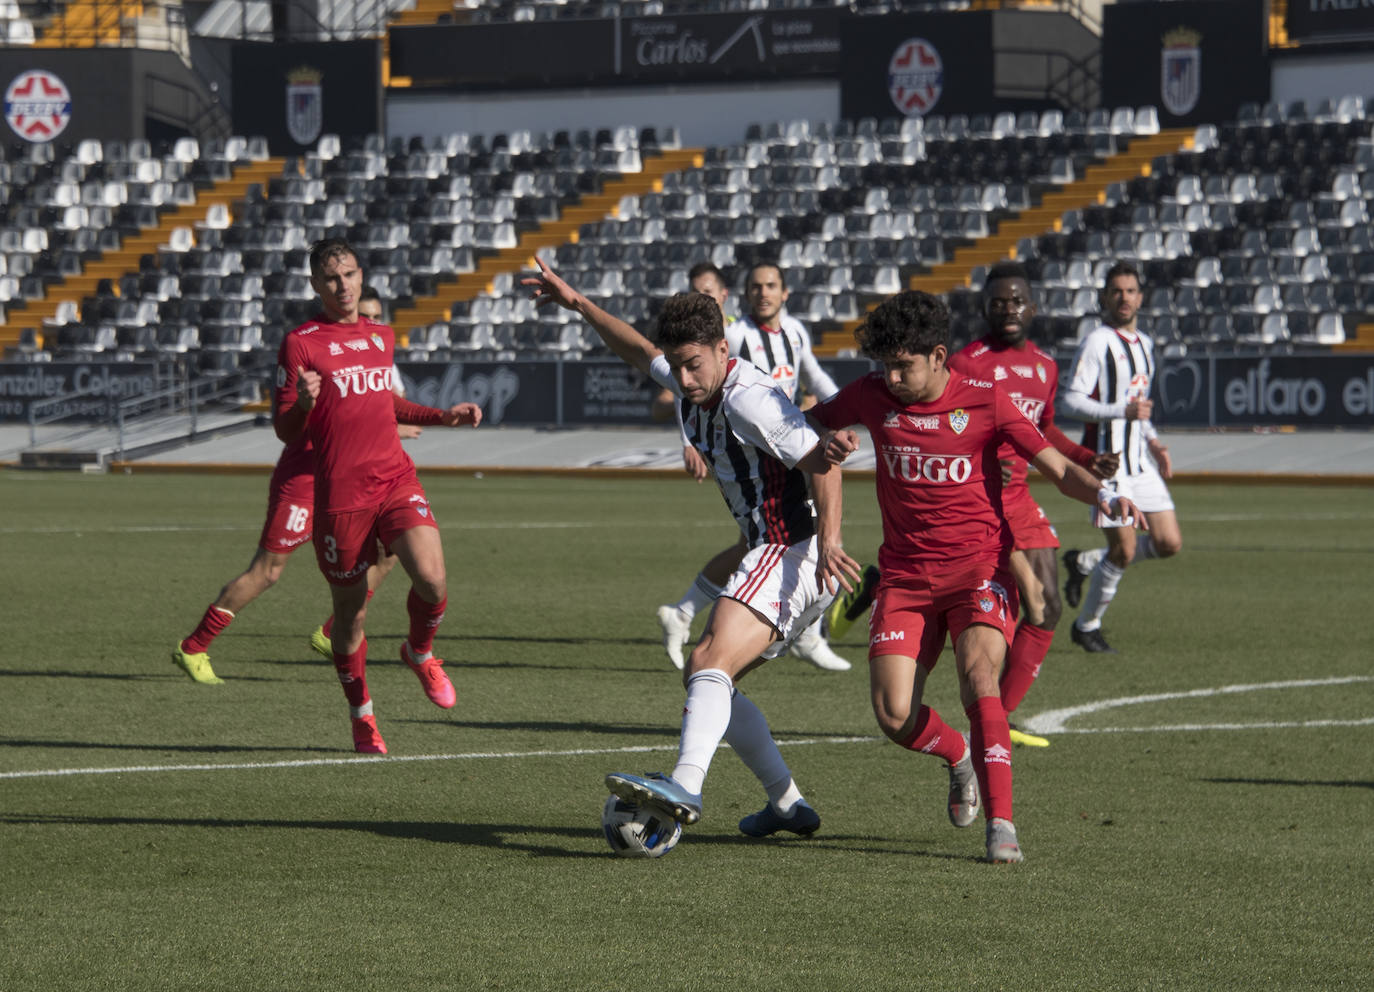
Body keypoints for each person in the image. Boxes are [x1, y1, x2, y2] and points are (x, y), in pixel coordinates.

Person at [521, 256, 862, 840]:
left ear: (722, 349)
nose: (682, 378)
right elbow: (635, 349)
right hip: (771, 552)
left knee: (706, 660)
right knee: (712, 679)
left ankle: (686, 786)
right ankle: (785, 802)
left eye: (693, 365)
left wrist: (830, 541)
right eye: (676, 365)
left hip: (791, 553)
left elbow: (824, 460)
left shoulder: (749, 397)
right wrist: (578, 304)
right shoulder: (692, 374)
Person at [811, 290, 1145, 863]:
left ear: (938, 357)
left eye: (903, 366)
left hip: (979, 573)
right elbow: (800, 429)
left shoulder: (988, 402)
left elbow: (1059, 468)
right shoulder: (869, 395)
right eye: (884, 365)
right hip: (905, 578)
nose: (890, 377)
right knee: (894, 715)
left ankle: (1003, 826)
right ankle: (959, 756)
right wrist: (825, 439)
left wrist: (1106, 493)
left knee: (980, 679)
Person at [275, 238, 482, 754]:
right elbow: (284, 428)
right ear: (316, 285)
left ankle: (419, 651)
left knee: (432, 579)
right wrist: (301, 404)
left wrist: (442, 416)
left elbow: (385, 401)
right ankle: (362, 717)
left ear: (360, 275)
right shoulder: (300, 343)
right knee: (349, 618)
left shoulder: (380, 337)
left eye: (347, 274)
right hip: (341, 498)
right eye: (330, 278)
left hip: (394, 479)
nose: (341, 286)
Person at [171, 287, 415, 685]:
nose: (367, 322)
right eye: (364, 314)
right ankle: (194, 646)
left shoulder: (374, 349)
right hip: (307, 476)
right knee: (267, 572)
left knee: (391, 548)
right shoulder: (313, 352)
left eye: (373, 316)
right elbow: (306, 417)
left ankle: (331, 630)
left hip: (353, 478)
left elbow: (379, 407)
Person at [947, 262, 1119, 746]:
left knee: (1047, 609)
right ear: (985, 307)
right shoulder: (965, 363)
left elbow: (1042, 430)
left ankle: (998, 718)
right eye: (999, 301)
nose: (1008, 309)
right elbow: (946, 427)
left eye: (1017, 300)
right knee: (1025, 603)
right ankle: (994, 721)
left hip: (1019, 496)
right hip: (978, 499)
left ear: (1033, 307)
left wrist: (1088, 458)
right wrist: (977, 461)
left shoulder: (1044, 366)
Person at [656, 260, 855, 673]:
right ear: (744, 294)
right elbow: (692, 383)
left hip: (789, 445)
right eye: (755, 285)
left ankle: (687, 614)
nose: (763, 293)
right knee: (783, 540)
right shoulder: (737, 335)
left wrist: (837, 417)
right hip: (756, 449)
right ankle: (800, 633)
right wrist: (688, 439)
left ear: (785, 292)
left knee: (771, 542)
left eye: (771, 285)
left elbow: (815, 378)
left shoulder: (796, 332)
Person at [1059, 261, 1183, 654]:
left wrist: (1154, 442)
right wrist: (1120, 412)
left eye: (1130, 291)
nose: (1124, 298)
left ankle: (1084, 561)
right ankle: (1087, 626)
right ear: (1105, 297)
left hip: (1139, 462)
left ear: (1140, 297)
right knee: (1125, 550)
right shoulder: (1097, 342)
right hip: (1107, 461)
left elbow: (1139, 407)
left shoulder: (1145, 344)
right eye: (1117, 291)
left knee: (1168, 542)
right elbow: (1071, 400)